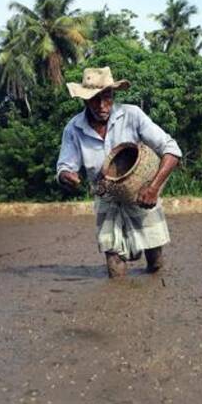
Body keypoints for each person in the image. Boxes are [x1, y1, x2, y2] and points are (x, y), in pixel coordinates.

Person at [56, 67, 182, 278]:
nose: (102, 105)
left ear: (113, 95)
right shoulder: (74, 128)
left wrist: (153, 188)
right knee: (114, 263)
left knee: (155, 261)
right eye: (95, 99)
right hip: (106, 196)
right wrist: (66, 176)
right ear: (85, 100)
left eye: (107, 97)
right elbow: (64, 166)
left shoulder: (132, 115)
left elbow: (172, 150)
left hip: (142, 193)